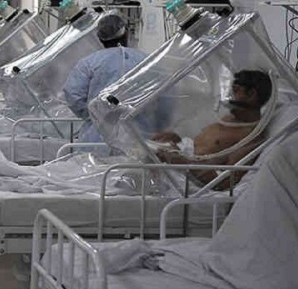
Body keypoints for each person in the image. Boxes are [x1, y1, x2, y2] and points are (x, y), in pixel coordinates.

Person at [153, 70, 273, 187]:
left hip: (190, 180)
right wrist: (178, 141)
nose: (229, 96)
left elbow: (224, 182)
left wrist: (181, 162)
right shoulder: (229, 119)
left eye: (235, 91)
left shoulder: (251, 139)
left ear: (251, 95)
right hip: (183, 162)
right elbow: (205, 148)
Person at [63, 13, 148, 142]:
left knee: (94, 161)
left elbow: (73, 95)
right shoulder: (146, 61)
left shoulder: (89, 63)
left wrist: (96, 116)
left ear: (100, 38)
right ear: (126, 34)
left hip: (98, 137)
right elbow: (164, 98)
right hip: (140, 135)